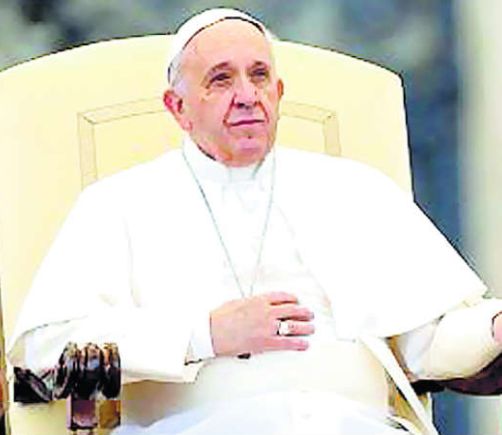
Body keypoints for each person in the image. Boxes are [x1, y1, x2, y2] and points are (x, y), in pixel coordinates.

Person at [7, 8, 502, 435]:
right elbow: (43, 348)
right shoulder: (118, 203)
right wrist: (204, 334)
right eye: (221, 79)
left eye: (259, 75)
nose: (246, 95)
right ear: (177, 107)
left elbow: (429, 341)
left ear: (279, 92)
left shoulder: (355, 188)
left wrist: (493, 327)